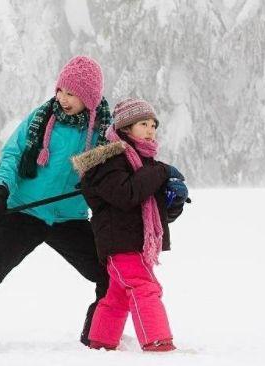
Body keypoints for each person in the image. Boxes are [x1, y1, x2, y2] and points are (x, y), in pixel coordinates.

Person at [0, 56, 113, 349]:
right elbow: (12, 155)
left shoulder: (104, 133)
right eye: (61, 90)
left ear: (89, 97)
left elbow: (117, 174)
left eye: (72, 93)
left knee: (112, 277)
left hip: (69, 218)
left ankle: (99, 342)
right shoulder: (42, 118)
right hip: (23, 211)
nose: (63, 99)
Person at [71, 98, 188, 351]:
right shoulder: (109, 160)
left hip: (135, 242)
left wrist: (174, 200)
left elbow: (155, 214)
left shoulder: (145, 163)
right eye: (143, 124)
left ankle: (101, 342)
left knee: (116, 296)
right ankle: (158, 342)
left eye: (153, 125)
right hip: (119, 242)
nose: (150, 130)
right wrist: (162, 172)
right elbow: (126, 195)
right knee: (145, 287)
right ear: (125, 128)